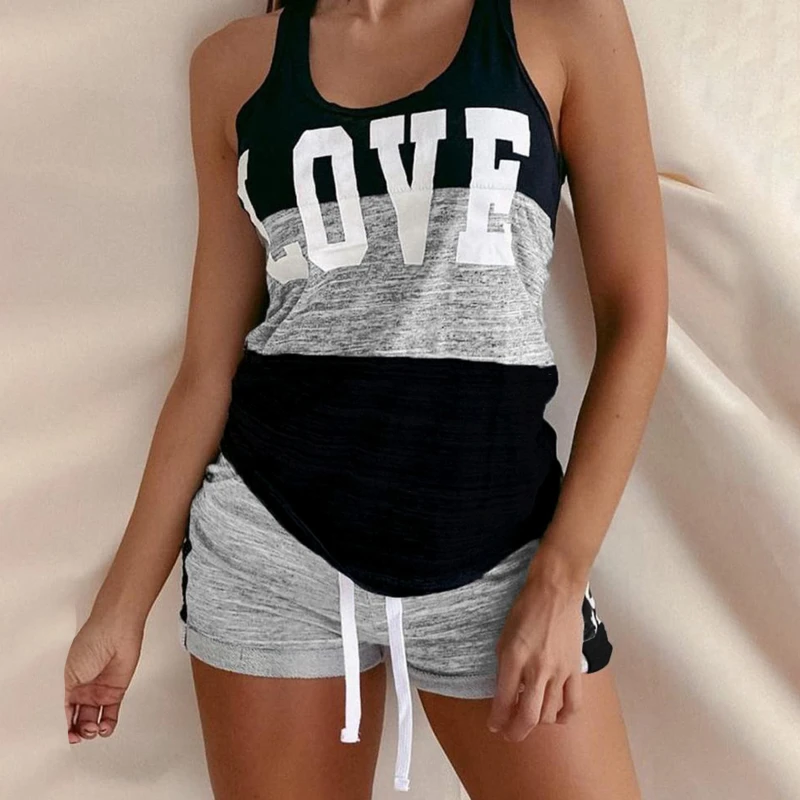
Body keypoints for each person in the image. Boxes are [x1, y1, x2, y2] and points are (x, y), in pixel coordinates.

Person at [64, 0, 667, 796]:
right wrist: (120, 608)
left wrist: (561, 577)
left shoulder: (562, 23)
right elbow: (207, 369)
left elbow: (636, 319)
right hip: (271, 551)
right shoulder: (232, 66)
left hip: (503, 557)